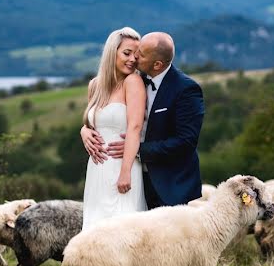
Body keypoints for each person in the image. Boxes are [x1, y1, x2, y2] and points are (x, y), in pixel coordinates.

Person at [62, 26, 162, 266]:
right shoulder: (95, 85)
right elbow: (89, 121)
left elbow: (133, 128)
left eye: (137, 54)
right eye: (127, 53)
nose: (133, 60)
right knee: (93, 233)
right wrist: (83, 132)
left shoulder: (134, 82)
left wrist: (125, 171)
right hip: (96, 172)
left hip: (123, 167)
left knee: (124, 234)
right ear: (112, 53)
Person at [82, 31, 204, 209]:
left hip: (169, 183)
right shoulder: (135, 78)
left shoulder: (186, 89)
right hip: (130, 174)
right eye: (131, 52)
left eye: (140, 54)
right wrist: (85, 130)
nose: (135, 57)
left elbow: (186, 142)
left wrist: (139, 150)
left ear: (157, 64)